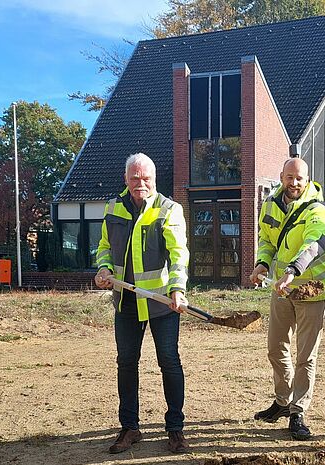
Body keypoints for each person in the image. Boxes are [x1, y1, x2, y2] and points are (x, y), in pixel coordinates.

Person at [94, 153, 191, 454]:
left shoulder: (168, 209)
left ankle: (175, 429)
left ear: (154, 178)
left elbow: (179, 254)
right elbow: (104, 247)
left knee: (169, 362)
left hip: (162, 303)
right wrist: (103, 268)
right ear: (126, 179)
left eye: (146, 178)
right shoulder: (113, 208)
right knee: (126, 363)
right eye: (135, 178)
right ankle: (130, 428)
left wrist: (178, 288)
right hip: (125, 302)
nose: (141, 183)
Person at [249, 157, 325, 441]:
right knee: (275, 347)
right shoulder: (270, 204)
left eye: (300, 178)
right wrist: (262, 263)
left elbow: (316, 242)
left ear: (307, 180)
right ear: (282, 176)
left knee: (305, 356)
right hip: (281, 289)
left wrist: (293, 270)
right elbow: (267, 239)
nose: (294, 183)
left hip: (312, 288)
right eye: (290, 177)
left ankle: (298, 412)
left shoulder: (316, 209)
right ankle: (282, 402)